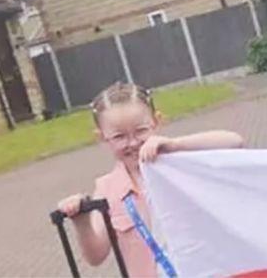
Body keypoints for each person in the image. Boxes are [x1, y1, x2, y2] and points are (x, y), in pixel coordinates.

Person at [56, 82, 244, 277]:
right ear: (102, 138)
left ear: (157, 121)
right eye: (119, 136)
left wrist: (175, 145)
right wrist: (81, 221)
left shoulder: (178, 163)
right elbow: (96, 257)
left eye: (141, 131)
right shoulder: (107, 189)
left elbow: (234, 141)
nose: (133, 142)